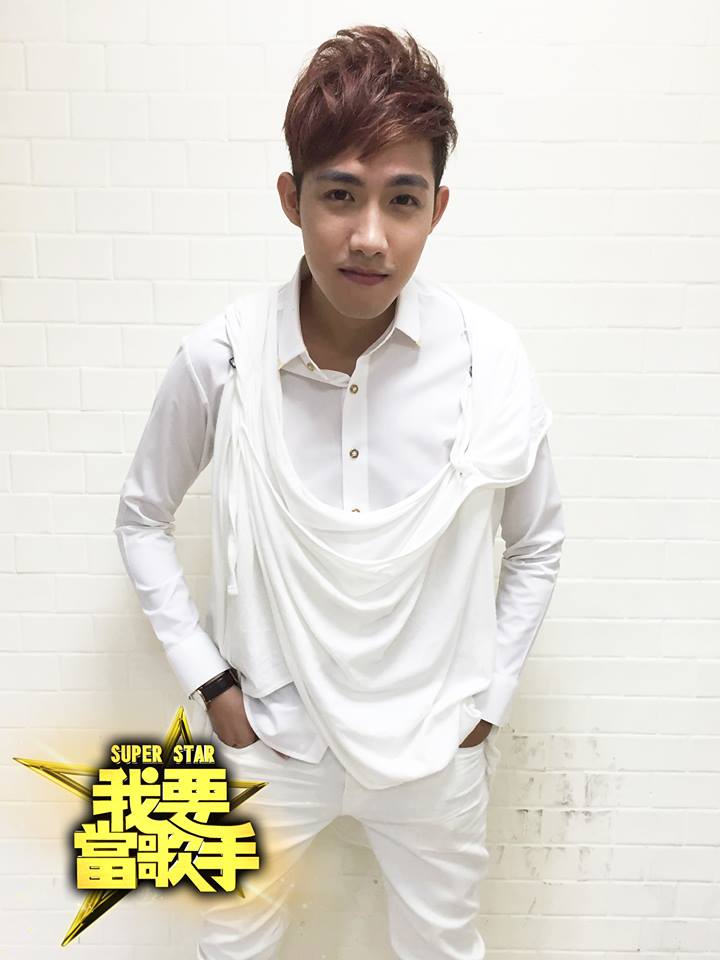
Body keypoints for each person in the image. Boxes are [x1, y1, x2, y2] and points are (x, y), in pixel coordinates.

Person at [114, 24, 565, 960]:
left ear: (437, 208)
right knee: (230, 946)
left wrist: (487, 702)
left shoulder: (488, 363)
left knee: (443, 948)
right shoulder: (221, 359)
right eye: (339, 195)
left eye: (401, 200)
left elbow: (537, 541)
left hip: (435, 747)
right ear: (292, 198)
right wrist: (215, 689)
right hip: (272, 737)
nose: (369, 236)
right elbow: (141, 516)